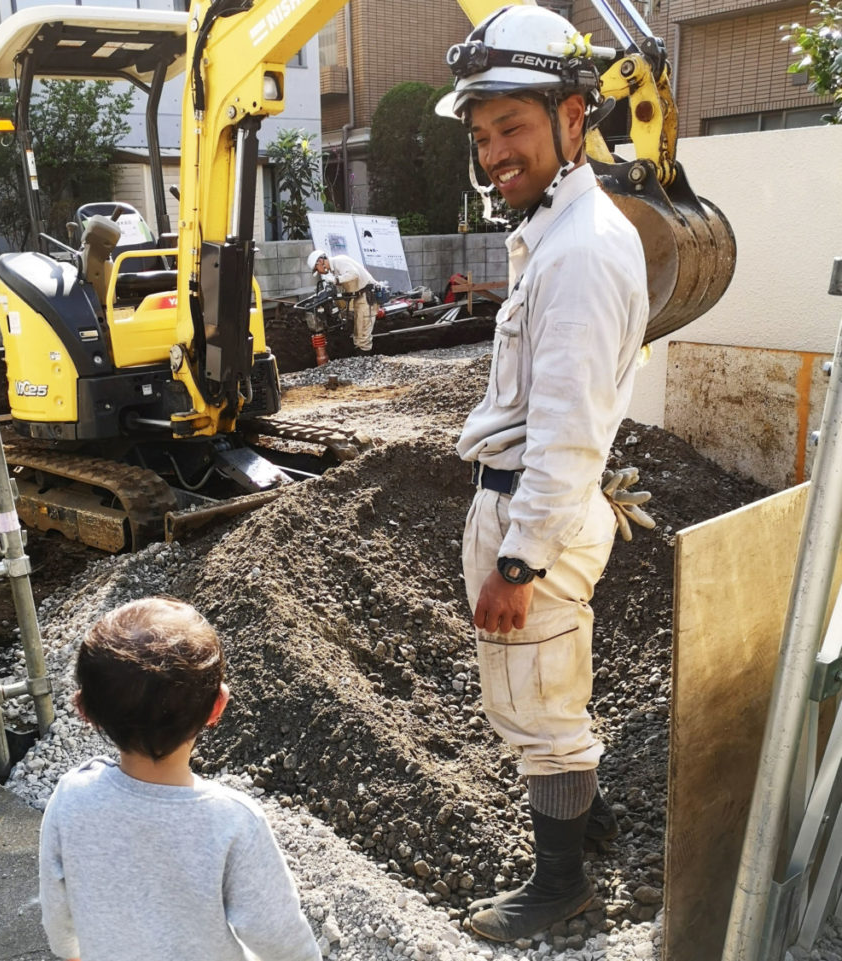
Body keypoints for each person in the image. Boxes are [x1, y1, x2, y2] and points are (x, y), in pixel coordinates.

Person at [436, 4, 650, 944]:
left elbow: (566, 434)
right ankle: (586, 825)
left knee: (541, 710)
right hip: (534, 504)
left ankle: (561, 885)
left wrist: (517, 564)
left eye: (511, 128)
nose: (492, 154)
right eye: (482, 137)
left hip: (536, 509)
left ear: (574, 116)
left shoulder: (581, 250)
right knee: (539, 691)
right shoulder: (554, 234)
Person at [38, 597, 320, 961]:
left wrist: (71, 952)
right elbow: (282, 941)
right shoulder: (234, 823)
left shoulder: (71, 797)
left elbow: (57, 909)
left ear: (85, 711)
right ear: (217, 707)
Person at [306, 248, 377, 352]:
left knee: (363, 336)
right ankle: (360, 360)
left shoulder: (340, 261)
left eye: (317, 269)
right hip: (359, 296)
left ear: (320, 261)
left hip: (367, 296)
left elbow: (354, 274)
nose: (319, 271)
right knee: (358, 335)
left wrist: (336, 280)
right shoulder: (335, 270)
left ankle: (365, 362)